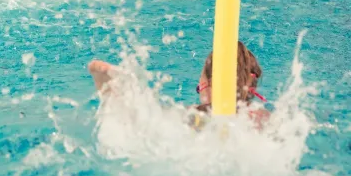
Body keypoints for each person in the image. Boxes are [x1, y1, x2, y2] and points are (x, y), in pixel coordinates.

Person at [88, 41, 270, 130]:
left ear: (205, 84)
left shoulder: (194, 114)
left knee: (131, 121)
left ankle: (114, 90)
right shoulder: (263, 118)